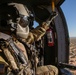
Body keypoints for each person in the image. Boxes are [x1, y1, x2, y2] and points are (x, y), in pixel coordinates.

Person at [0, 3, 58, 75]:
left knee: (53, 69)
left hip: (29, 71)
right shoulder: (3, 46)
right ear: (9, 22)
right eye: (24, 21)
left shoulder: (13, 40)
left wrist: (47, 23)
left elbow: (33, 35)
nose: (26, 25)